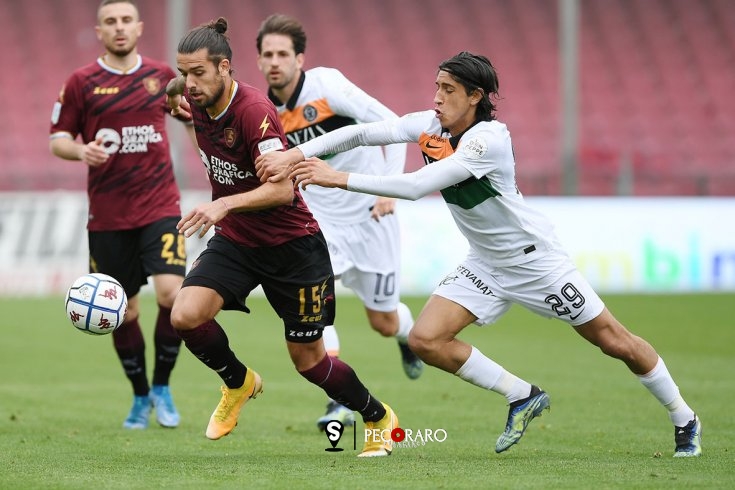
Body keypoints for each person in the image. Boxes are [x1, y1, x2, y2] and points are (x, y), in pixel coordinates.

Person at [255, 51, 703, 458]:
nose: (436, 99)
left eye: (447, 91)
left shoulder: (489, 140)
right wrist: (294, 155)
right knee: (426, 340)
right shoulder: (431, 127)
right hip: (485, 263)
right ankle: (522, 395)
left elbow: (415, 187)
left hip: (534, 262)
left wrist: (340, 179)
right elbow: (362, 133)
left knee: (614, 341)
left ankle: (685, 418)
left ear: (475, 96)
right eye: (436, 88)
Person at [164, 17, 398, 458]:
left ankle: (377, 417)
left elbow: (282, 188)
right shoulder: (197, 102)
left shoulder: (255, 111)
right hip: (237, 241)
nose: (189, 83)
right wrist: (180, 112)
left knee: (309, 361)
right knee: (185, 315)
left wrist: (223, 205)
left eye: (197, 73)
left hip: (293, 248)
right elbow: (204, 133)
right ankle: (238, 383)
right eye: (183, 73)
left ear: (225, 68)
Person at [254, 13, 423, 431]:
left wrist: (388, 188)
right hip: (318, 223)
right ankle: (340, 401)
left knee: (383, 321)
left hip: (370, 216)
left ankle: (407, 338)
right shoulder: (263, 110)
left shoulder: (328, 86)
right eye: (267, 54)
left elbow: (394, 125)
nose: (275, 62)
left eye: (282, 54)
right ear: (258, 61)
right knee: (316, 316)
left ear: (300, 59)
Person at [49, 0, 197, 430]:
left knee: (173, 295)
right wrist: (81, 149)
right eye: (110, 22)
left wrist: (199, 142)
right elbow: (57, 138)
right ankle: (139, 397)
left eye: (126, 20)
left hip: (160, 205)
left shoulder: (162, 78)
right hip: (109, 216)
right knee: (124, 311)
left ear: (139, 27)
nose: (119, 28)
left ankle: (163, 387)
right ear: (99, 31)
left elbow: (190, 120)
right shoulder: (81, 82)